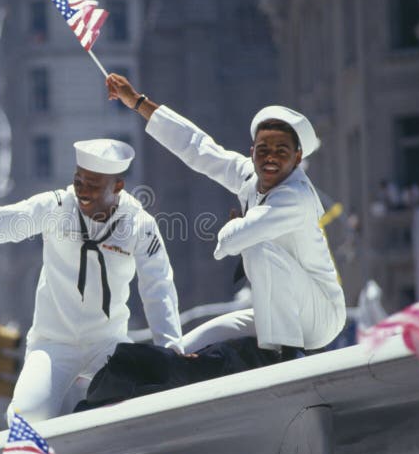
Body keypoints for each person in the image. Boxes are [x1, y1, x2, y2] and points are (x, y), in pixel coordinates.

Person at [0, 139, 184, 422]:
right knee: (27, 416)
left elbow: (158, 286)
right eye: (78, 181)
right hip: (53, 343)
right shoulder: (56, 206)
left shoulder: (139, 224)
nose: (82, 191)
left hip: (107, 344)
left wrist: (171, 350)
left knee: (142, 402)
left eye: (93, 185)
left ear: (117, 186)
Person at [106, 74, 345, 354]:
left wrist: (239, 227)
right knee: (183, 351)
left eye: (282, 151)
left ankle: (282, 359)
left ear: (297, 158)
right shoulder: (249, 176)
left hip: (319, 316)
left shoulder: (296, 197)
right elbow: (199, 148)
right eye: (264, 150)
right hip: (278, 311)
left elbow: (231, 243)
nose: (270, 158)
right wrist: (138, 102)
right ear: (252, 152)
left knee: (259, 246)